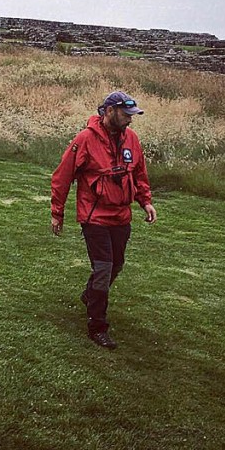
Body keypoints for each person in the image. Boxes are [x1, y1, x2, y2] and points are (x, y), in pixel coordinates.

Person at [51, 91, 157, 350]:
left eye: (133, 116)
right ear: (110, 111)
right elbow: (62, 177)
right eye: (126, 115)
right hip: (94, 216)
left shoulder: (132, 138)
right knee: (103, 269)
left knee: (117, 265)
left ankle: (90, 296)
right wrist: (57, 212)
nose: (131, 121)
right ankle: (97, 327)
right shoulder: (85, 139)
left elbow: (139, 173)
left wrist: (145, 201)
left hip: (121, 216)